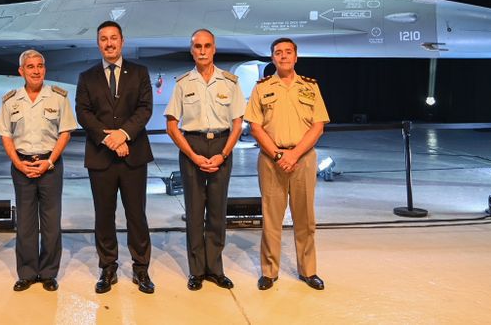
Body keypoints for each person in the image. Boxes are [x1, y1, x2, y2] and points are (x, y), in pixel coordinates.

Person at [75, 20, 155, 294]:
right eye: (103, 39)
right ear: (98, 43)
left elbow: (145, 109)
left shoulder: (140, 72)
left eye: (113, 38)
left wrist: (123, 134)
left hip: (133, 155)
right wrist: (109, 138)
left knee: (137, 215)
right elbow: (83, 113)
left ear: (122, 41)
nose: (109, 43)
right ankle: (108, 268)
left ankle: (141, 268)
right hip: (101, 157)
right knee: (104, 216)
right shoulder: (87, 77)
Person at [244, 37, 329, 292]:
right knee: (271, 218)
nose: (283, 56)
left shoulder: (310, 87)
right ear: (272, 58)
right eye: (278, 53)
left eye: (288, 52)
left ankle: (308, 270)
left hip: (303, 159)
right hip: (271, 161)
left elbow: (318, 126)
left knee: (305, 219)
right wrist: (279, 155)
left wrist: (294, 155)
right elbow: (255, 127)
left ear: (296, 56)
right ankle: (269, 272)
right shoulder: (262, 88)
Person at [165, 29, 246, 291]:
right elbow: (172, 125)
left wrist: (223, 154)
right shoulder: (183, 83)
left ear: (214, 49)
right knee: (194, 211)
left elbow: (237, 124)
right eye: (197, 46)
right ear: (191, 50)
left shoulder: (230, 82)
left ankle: (215, 269)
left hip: (221, 144)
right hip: (193, 145)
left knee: (217, 211)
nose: (202, 51)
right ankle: (197, 270)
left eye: (207, 46)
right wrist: (192, 154)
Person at [0, 49, 76, 292]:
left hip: (50, 166)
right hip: (22, 166)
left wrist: (49, 161)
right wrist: (18, 163)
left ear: (45, 69)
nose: (36, 70)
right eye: (30, 67)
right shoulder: (10, 100)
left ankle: (49, 273)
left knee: (51, 224)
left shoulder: (58, 97)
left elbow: (65, 133)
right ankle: (27, 273)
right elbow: (6, 135)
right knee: (26, 224)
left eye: (40, 66)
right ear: (21, 71)